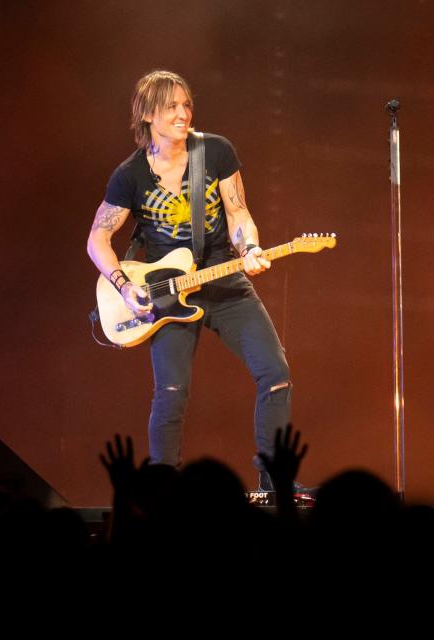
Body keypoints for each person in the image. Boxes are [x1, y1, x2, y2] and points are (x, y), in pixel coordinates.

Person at [87, 69, 292, 491]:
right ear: (148, 115)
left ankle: (273, 482)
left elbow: (238, 214)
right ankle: (164, 490)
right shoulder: (130, 175)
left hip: (224, 280)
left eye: (186, 104)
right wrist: (126, 285)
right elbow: (97, 239)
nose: (183, 114)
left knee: (275, 372)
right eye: (171, 107)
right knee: (171, 393)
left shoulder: (215, 152)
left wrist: (249, 248)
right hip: (166, 292)